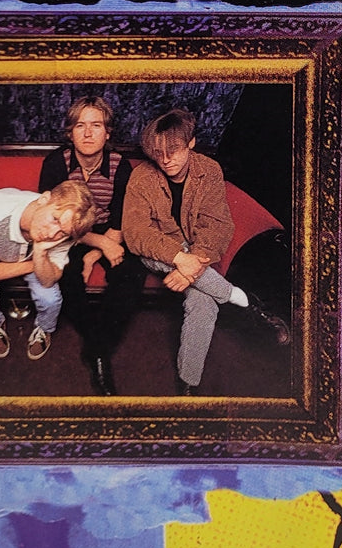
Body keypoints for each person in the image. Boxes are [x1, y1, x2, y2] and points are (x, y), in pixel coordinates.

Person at [122, 109, 287, 396]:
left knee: (203, 302)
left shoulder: (209, 170)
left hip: (197, 254)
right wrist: (179, 258)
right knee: (153, 252)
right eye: (158, 152)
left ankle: (188, 383)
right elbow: (136, 233)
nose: (165, 159)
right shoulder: (142, 176)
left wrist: (191, 268)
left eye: (173, 150)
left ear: (191, 143)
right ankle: (245, 302)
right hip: (157, 251)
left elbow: (217, 225)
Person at [38, 96, 142, 396]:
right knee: (66, 276)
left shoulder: (120, 166)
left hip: (109, 233)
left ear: (107, 133)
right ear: (70, 132)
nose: (87, 133)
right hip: (65, 233)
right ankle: (99, 351)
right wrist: (94, 245)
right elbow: (50, 220)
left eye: (96, 125)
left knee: (131, 273)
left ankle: (96, 349)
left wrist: (95, 254)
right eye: (80, 126)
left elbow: (120, 221)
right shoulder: (56, 163)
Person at [0, 181, 97, 363]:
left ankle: (44, 328)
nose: (51, 234)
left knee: (50, 299)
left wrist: (40, 252)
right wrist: (33, 264)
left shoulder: (68, 230)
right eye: (55, 219)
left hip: (36, 259)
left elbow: (49, 280)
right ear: (44, 199)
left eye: (62, 232)